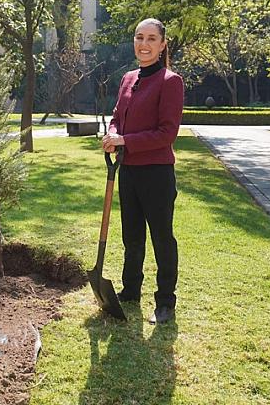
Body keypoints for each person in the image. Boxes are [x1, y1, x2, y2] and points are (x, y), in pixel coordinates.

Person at [101, 18, 184, 324]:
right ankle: (130, 290)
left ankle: (165, 302)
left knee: (162, 238)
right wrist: (112, 134)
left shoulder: (170, 81)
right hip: (129, 171)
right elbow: (116, 117)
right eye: (139, 37)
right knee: (132, 236)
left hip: (157, 173)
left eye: (151, 39)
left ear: (162, 45)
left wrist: (125, 140)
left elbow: (167, 134)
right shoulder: (127, 78)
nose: (144, 44)